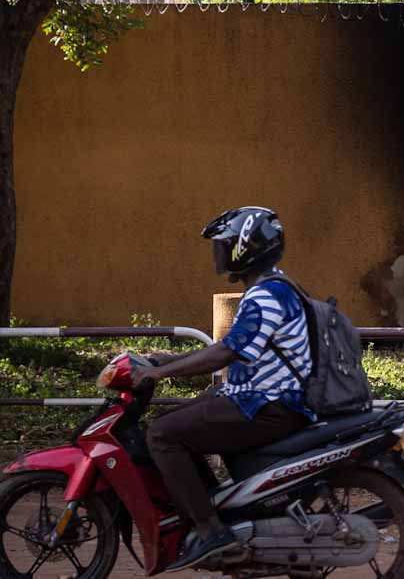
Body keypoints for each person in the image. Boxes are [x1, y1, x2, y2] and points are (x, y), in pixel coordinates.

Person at [130, 206, 318, 572]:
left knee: (162, 435)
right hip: (264, 397)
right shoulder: (275, 287)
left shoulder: (265, 296)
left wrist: (161, 373)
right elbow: (233, 347)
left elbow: (227, 351)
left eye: (224, 245)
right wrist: (160, 359)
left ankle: (211, 531)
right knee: (182, 420)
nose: (218, 254)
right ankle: (215, 507)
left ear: (245, 248)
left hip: (269, 405)